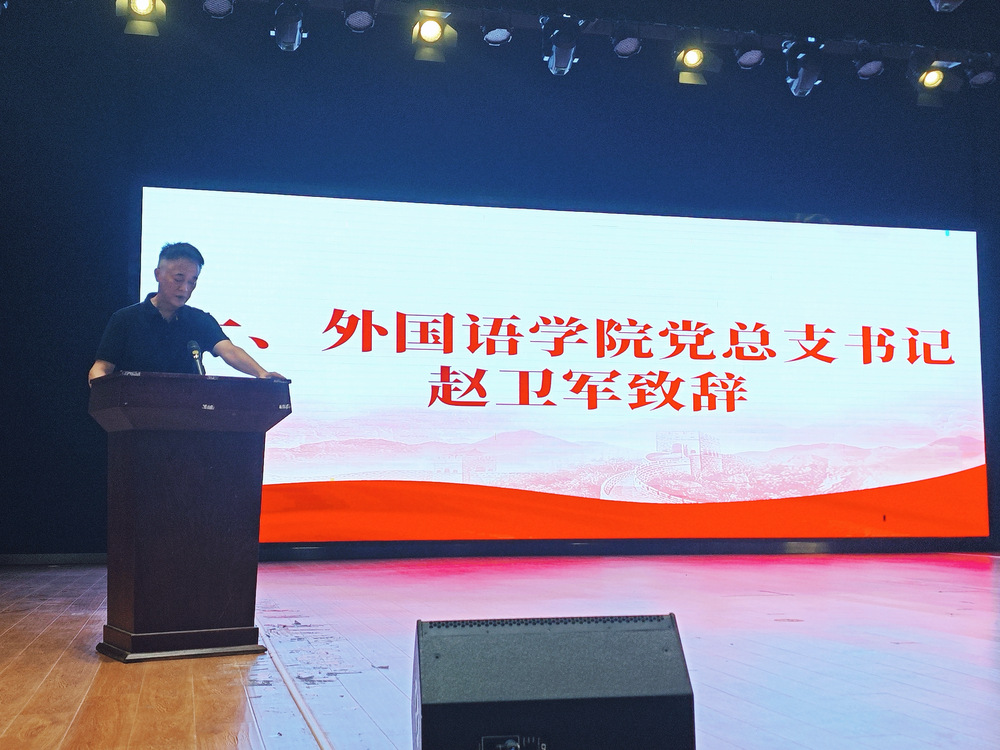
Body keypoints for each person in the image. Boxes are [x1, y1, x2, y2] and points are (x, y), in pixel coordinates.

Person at [89, 242, 285, 385]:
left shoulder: (199, 320)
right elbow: (101, 368)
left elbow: (229, 351)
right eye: (178, 279)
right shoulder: (125, 319)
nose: (185, 288)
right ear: (158, 274)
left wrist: (261, 373)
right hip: (135, 416)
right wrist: (104, 393)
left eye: (192, 281)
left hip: (188, 416)